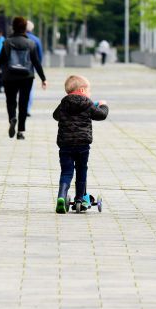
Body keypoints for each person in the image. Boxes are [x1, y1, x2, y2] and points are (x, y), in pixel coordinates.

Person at [53, 75, 109, 213]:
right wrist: (103, 105)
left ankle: (61, 196)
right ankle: (80, 199)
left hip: (65, 144)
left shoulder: (64, 103)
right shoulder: (87, 103)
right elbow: (101, 115)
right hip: (82, 145)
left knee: (66, 171)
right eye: (89, 91)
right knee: (81, 170)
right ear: (82, 90)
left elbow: (55, 116)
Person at [0, 16, 47, 140]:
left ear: (13, 27)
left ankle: (12, 118)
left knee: (10, 100)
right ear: (25, 28)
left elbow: (0, 60)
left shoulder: (7, 42)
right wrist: (43, 78)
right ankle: (20, 131)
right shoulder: (31, 43)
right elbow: (36, 62)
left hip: (9, 75)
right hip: (26, 76)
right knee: (23, 102)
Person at [25, 20, 44, 115]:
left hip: (14, 68)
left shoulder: (13, 38)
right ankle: (27, 109)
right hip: (30, 68)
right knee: (29, 89)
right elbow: (40, 56)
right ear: (31, 28)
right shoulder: (36, 40)